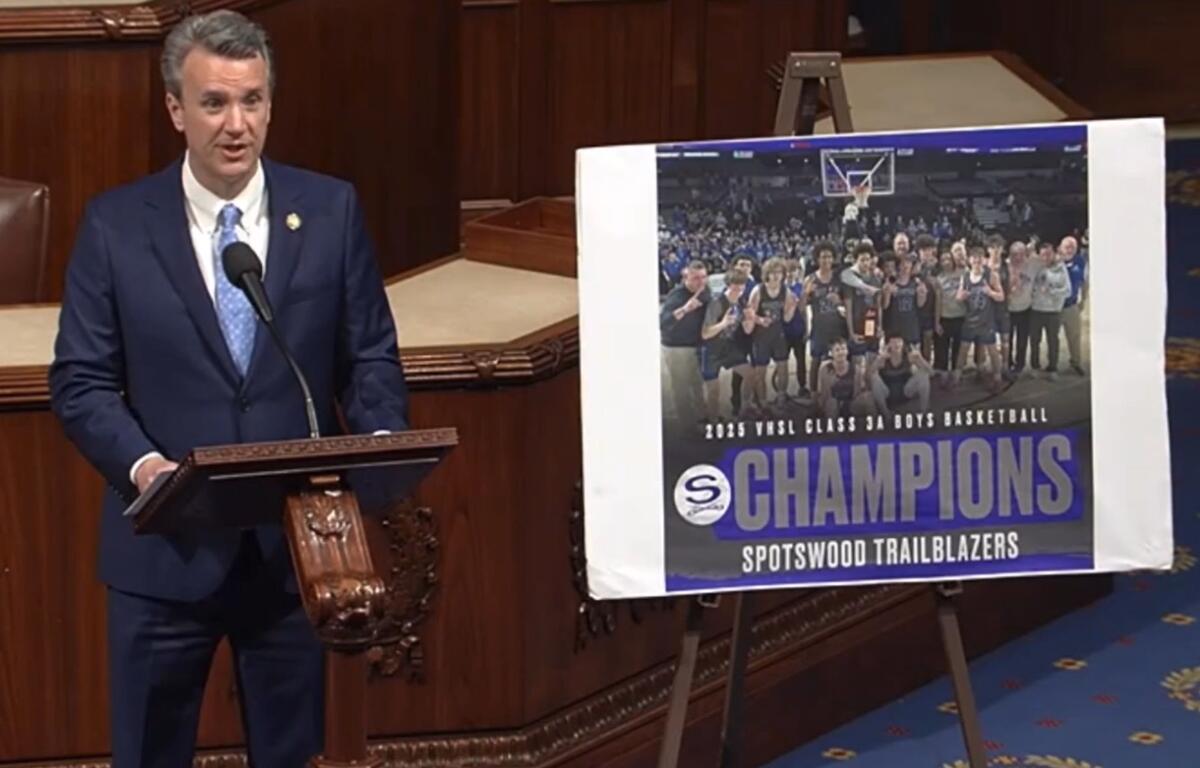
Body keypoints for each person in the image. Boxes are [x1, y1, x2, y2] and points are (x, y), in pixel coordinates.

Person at [47, 11, 409, 767]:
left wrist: (377, 446)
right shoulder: (115, 225)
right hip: (165, 552)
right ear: (175, 110)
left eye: (252, 100)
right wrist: (147, 470)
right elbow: (81, 382)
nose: (236, 124)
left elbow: (369, 353)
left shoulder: (332, 209)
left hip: (294, 555)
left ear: (271, 104)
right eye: (214, 103)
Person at [700, 271, 757, 421]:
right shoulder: (717, 303)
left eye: (742, 286)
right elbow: (705, 333)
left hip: (728, 346)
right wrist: (723, 324)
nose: (738, 290)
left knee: (750, 373)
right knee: (713, 389)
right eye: (735, 286)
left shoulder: (742, 302)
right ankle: (713, 418)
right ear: (728, 285)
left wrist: (750, 320)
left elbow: (747, 330)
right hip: (711, 348)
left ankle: (746, 407)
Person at [660, 260, 710, 426]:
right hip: (676, 347)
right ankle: (688, 427)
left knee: (696, 384)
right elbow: (663, 322)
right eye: (696, 278)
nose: (700, 282)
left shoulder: (705, 292)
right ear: (686, 278)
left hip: (695, 345)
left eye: (703, 277)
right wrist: (685, 309)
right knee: (681, 388)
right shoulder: (677, 295)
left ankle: (702, 419)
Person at [955, 245, 1005, 390]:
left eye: (979, 258)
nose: (976, 261)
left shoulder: (991, 275)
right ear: (969, 260)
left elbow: (1001, 297)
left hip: (986, 320)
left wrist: (990, 292)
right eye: (974, 258)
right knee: (963, 349)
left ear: (984, 260)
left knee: (992, 350)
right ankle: (957, 377)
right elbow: (958, 296)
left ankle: (997, 377)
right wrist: (961, 296)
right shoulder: (965, 276)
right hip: (970, 319)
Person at [1029, 241, 1072, 380]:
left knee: (1053, 341)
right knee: (1035, 340)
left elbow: (1068, 291)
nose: (1046, 257)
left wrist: (1052, 291)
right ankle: (1035, 366)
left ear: (1053, 253)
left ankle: (1053, 368)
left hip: (1053, 311)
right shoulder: (1036, 267)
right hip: (1036, 310)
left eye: (1048, 254)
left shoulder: (1061, 268)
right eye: (1043, 255)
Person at [869, 335, 933, 417]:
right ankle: (886, 415)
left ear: (903, 344)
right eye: (893, 342)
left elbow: (931, 372)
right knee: (874, 377)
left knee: (923, 374)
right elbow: (868, 376)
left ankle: (923, 413)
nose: (896, 344)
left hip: (905, 392)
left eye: (899, 341)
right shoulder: (884, 360)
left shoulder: (909, 357)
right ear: (888, 345)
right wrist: (879, 358)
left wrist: (920, 358)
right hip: (887, 394)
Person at [816, 338, 876, 418]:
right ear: (831, 353)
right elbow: (823, 394)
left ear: (847, 351)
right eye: (837, 350)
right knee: (832, 403)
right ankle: (832, 429)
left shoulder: (855, 369)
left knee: (868, 397)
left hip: (850, 404)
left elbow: (858, 392)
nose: (841, 352)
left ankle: (875, 427)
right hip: (832, 405)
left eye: (843, 349)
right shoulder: (825, 369)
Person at [1059, 235, 1088, 375]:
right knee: (1052, 337)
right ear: (1060, 248)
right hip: (1054, 307)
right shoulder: (1054, 261)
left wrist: (1083, 300)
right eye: (1067, 247)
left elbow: (1084, 282)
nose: (1070, 249)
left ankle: (1076, 362)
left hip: (1071, 305)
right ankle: (1051, 364)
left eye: (1073, 247)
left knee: (1075, 336)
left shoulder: (1080, 262)